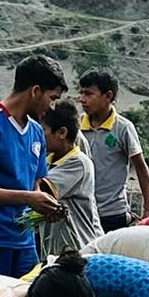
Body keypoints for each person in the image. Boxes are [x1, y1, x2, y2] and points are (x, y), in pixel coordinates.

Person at [0, 55, 65, 277]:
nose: (52, 106)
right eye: (52, 98)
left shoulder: (37, 133)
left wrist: (44, 208)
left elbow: (33, 188)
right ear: (35, 91)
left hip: (23, 244)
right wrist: (27, 198)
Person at [78, 70, 149, 230]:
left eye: (89, 94)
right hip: (81, 212)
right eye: (82, 93)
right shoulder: (76, 126)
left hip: (112, 214)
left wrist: (148, 209)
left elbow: (140, 167)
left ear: (108, 96)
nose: (82, 99)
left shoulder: (123, 128)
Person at [39, 101, 103, 259]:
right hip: (58, 251)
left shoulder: (79, 163)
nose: (37, 136)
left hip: (81, 249)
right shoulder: (48, 161)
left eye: (42, 130)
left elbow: (40, 188)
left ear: (61, 133)